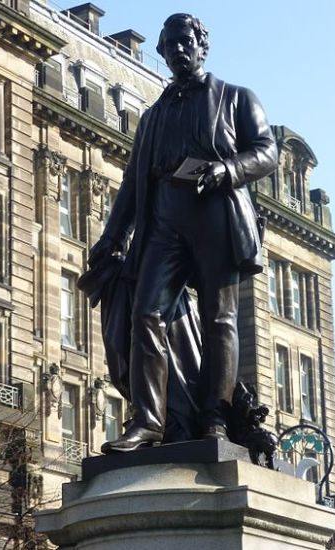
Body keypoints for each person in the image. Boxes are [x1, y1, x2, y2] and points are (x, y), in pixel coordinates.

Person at [89, 13, 278, 452]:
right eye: (170, 44)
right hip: (165, 220)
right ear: (162, 52)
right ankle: (149, 421)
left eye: (185, 41)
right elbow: (134, 181)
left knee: (219, 319)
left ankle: (214, 416)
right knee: (145, 313)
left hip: (216, 212)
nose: (178, 49)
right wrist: (113, 237)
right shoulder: (153, 116)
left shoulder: (235, 98)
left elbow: (267, 152)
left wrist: (228, 169)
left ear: (202, 45)